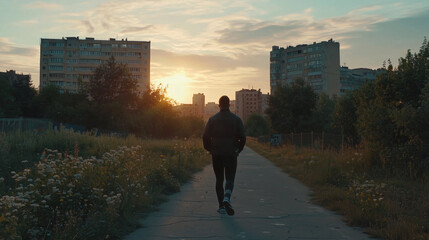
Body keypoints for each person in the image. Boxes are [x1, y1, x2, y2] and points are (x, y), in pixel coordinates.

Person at [203, 95, 246, 216]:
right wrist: (238, 149)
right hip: (231, 153)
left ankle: (221, 206)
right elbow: (243, 137)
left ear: (219, 105)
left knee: (219, 179)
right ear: (230, 105)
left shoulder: (212, 119)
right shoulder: (236, 119)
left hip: (217, 153)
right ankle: (227, 197)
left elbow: (205, 136)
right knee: (230, 178)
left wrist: (209, 148)